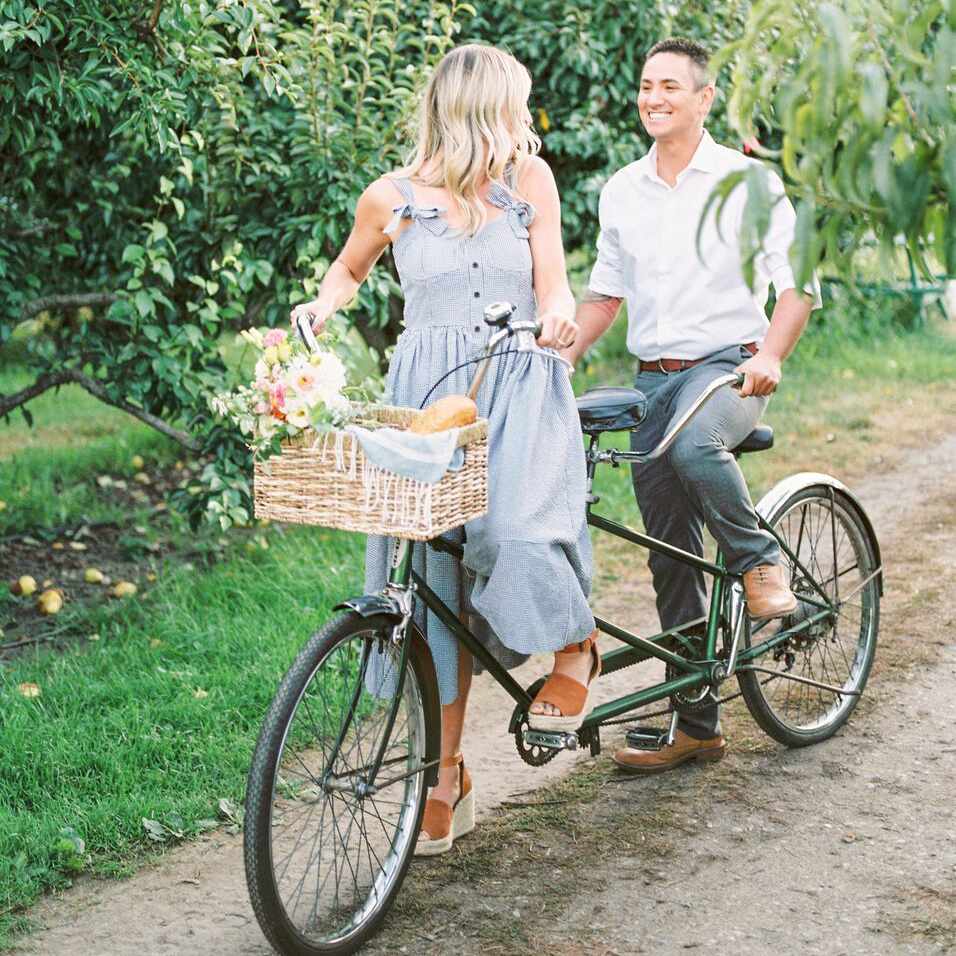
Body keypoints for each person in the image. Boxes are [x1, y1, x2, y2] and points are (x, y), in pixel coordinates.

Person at [290, 44, 600, 854]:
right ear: (477, 110)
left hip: (521, 380)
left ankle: (576, 649)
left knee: (515, 535)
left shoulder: (529, 184)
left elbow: (555, 281)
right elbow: (346, 272)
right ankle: (444, 774)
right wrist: (321, 309)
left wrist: (561, 315)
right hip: (432, 394)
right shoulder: (389, 198)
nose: (525, 122)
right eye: (516, 106)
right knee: (433, 587)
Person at [561, 37, 821, 774]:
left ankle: (760, 562)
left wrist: (770, 354)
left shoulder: (749, 183)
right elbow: (604, 295)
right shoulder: (621, 190)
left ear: (705, 99)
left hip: (729, 367)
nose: (654, 98)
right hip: (653, 379)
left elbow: (797, 283)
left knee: (693, 448)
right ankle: (696, 725)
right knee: (668, 553)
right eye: (646, 85)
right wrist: (560, 356)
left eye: (670, 86)